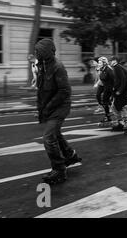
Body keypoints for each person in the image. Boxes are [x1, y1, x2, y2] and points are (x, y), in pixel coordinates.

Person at [35, 38, 81, 185]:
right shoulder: (42, 65)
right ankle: (70, 155)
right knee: (55, 134)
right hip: (50, 107)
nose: (35, 53)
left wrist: (48, 107)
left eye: (38, 51)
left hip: (60, 106)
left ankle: (59, 170)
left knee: (48, 138)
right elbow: (42, 90)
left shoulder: (57, 67)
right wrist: (42, 108)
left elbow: (65, 91)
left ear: (46, 52)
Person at [110, 56, 127, 132]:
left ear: (115, 61)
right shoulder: (117, 67)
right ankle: (121, 122)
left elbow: (123, 79)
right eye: (110, 60)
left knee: (117, 106)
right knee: (115, 106)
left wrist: (119, 90)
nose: (110, 62)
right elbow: (119, 80)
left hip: (121, 92)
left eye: (112, 60)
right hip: (120, 91)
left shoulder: (117, 67)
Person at [97, 57, 115, 124]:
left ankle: (125, 118)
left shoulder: (109, 69)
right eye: (98, 62)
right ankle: (108, 117)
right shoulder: (103, 69)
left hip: (111, 88)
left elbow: (114, 79)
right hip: (106, 88)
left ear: (104, 63)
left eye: (100, 62)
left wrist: (114, 90)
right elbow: (101, 78)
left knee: (114, 104)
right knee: (105, 102)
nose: (98, 64)